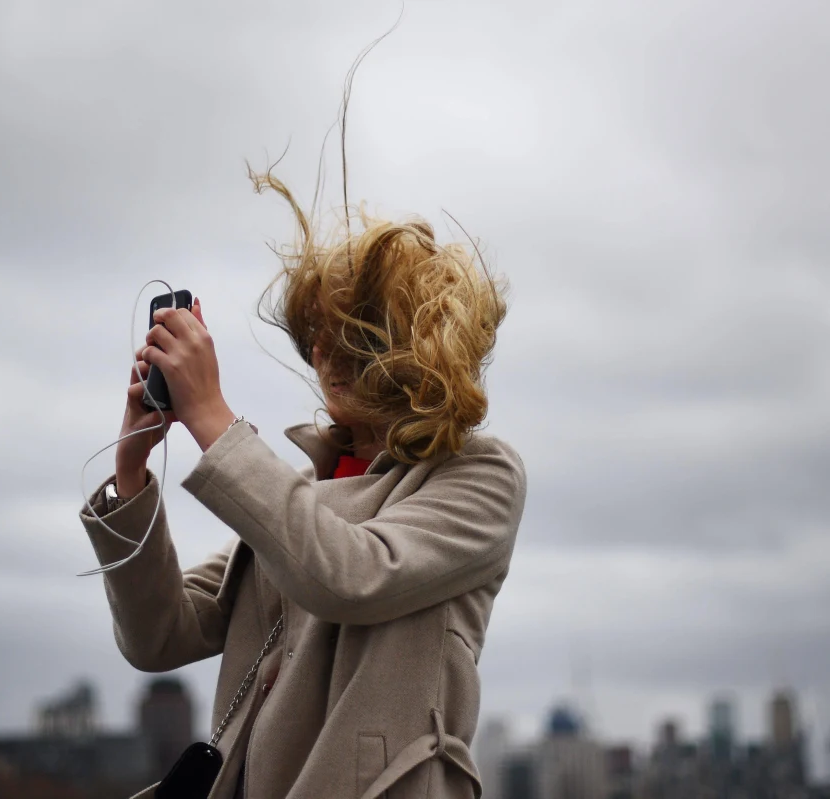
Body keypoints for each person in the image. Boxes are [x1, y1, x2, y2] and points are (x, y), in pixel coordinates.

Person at [80, 169, 527, 799]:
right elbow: (160, 636)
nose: (326, 354)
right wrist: (133, 469)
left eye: (356, 335)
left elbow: (351, 576)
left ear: (423, 346)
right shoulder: (298, 491)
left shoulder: (477, 475)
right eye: (318, 335)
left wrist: (213, 420)